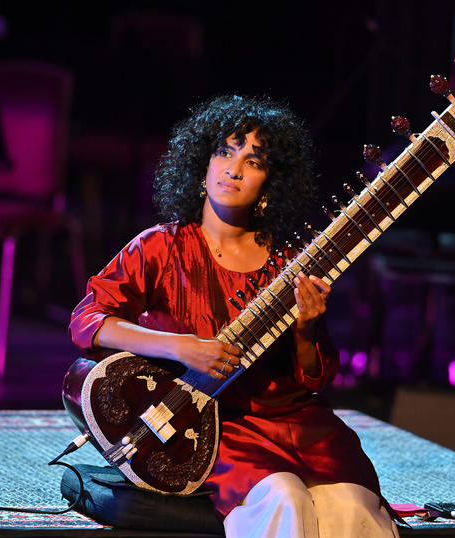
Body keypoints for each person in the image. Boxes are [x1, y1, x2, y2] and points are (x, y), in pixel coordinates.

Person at [69, 95, 398, 537]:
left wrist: (305, 329)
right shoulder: (160, 248)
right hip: (224, 425)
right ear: (201, 165)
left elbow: (316, 377)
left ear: (270, 184)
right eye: (225, 151)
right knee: (284, 498)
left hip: (301, 423)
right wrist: (181, 347)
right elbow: (87, 321)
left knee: (351, 505)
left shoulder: (291, 262)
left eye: (254, 161)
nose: (234, 168)